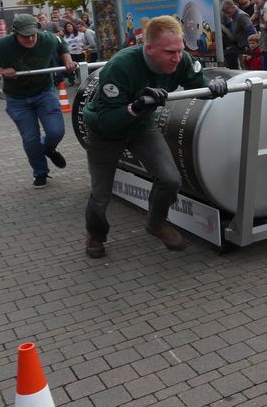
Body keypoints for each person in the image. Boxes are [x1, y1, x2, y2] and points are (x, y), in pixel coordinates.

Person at [81, 15, 228, 258]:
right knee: (101, 192)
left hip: (140, 126)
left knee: (170, 179)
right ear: (149, 49)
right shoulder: (120, 66)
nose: (177, 57)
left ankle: (156, 222)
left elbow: (197, 85)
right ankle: (95, 234)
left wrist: (213, 87)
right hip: (105, 131)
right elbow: (107, 121)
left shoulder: (182, 59)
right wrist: (136, 106)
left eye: (180, 50)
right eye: (170, 52)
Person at [0, 13, 77, 188]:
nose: (31, 39)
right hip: (17, 98)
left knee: (56, 131)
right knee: (31, 140)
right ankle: (40, 172)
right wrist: (1, 70)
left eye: (33, 35)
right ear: (15, 33)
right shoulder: (1, 45)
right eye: (25, 36)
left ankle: (48, 148)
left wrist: (68, 60)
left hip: (44, 92)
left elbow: (61, 44)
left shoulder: (47, 39)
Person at [220, 0, 255, 69]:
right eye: (225, 13)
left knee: (247, 69)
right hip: (241, 47)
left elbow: (251, 31)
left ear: (233, 7)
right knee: (243, 68)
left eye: (228, 12)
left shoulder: (241, 16)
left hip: (246, 48)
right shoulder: (234, 17)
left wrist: (249, 48)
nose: (227, 15)